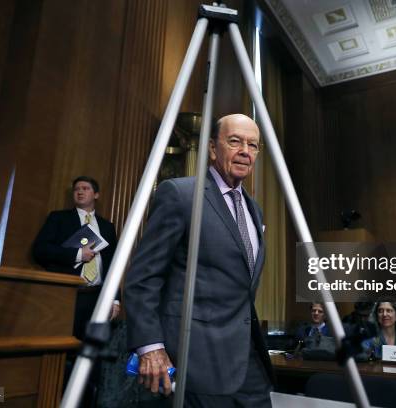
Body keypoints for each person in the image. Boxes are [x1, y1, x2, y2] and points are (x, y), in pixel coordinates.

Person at [124, 114, 274, 407]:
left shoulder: (254, 210)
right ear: (213, 148)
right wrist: (150, 347)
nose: (245, 150)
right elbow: (143, 277)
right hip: (195, 360)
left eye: (253, 145)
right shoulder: (180, 194)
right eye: (235, 141)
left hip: (247, 361)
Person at [33, 176, 120, 339]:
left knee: (92, 353)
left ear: (96, 195)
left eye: (85, 188)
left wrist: (115, 299)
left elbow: (113, 265)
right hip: (67, 295)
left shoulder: (107, 227)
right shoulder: (58, 218)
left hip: (97, 297)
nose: (80, 191)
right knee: (63, 348)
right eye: (76, 189)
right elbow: (40, 250)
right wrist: (78, 254)